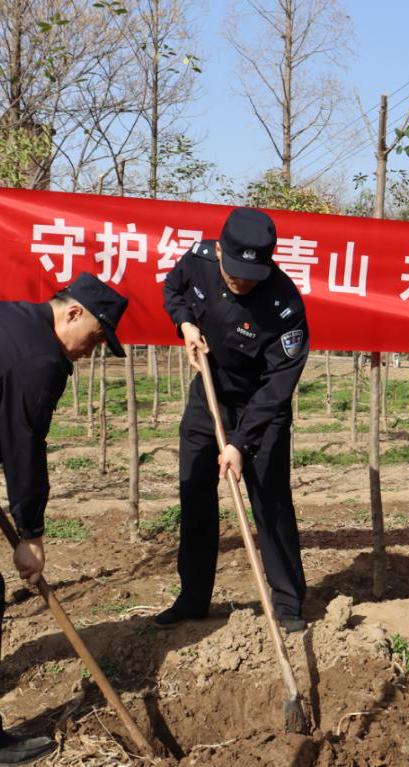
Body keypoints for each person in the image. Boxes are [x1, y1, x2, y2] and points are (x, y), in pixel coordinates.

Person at [157, 207, 310, 633]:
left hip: (261, 408)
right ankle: (192, 599)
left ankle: (289, 604)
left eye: (251, 274)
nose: (240, 281)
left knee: (272, 503)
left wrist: (240, 443)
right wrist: (185, 323)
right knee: (196, 496)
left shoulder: (284, 306)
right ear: (220, 249)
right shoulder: (200, 260)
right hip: (208, 397)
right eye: (234, 270)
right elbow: (174, 289)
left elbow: (279, 385)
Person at [0, 273, 128, 764]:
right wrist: (30, 533)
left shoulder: (12, 316)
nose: (92, 351)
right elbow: (23, 446)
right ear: (72, 312)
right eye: (96, 337)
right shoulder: (40, 359)